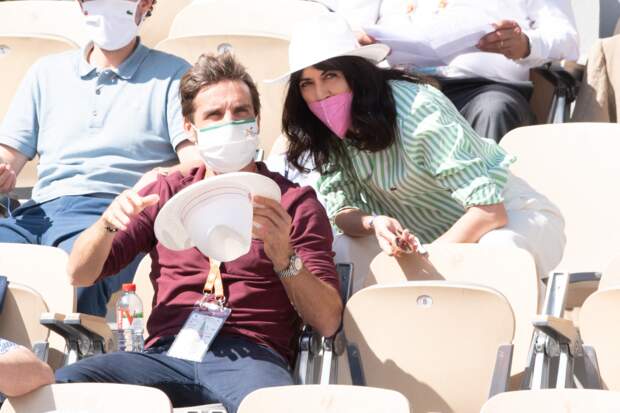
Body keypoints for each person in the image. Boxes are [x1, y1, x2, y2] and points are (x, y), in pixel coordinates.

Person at [55, 52, 342, 413]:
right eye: (214, 115)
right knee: (65, 386)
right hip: (167, 352)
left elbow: (328, 320)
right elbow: (79, 273)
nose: (230, 122)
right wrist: (107, 223)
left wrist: (285, 257)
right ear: (190, 129)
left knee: (275, 408)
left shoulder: (292, 202)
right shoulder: (168, 191)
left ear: (256, 120)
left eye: (240, 112)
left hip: (252, 356)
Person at [279, 14, 565, 276]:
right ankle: (353, 334)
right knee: (344, 249)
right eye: (307, 83)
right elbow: (342, 210)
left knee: (496, 249)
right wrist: (374, 222)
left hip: (511, 219)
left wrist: (427, 265)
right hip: (425, 240)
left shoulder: (416, 107)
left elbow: (489, 210)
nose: (320, 93)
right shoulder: (325, 130)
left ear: (355, 73)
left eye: (330, 76)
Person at [0, 0, 197, 316]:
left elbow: (194, 164)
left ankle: (59, 363)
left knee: (78, 277)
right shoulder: (45, 72)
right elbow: (8, 157)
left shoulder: (174, 75)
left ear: (146, 4)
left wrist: (155, 179)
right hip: (37, 213)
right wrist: (3, 172)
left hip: (112, 213)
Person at [326, 0, 579, 141]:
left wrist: (525, 44)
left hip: (482, 89)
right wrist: (358, 38)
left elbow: (567, 39)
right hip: (401, 83)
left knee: (494, 110)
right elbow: (348, 21)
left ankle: (484, 222)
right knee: (355, 104)